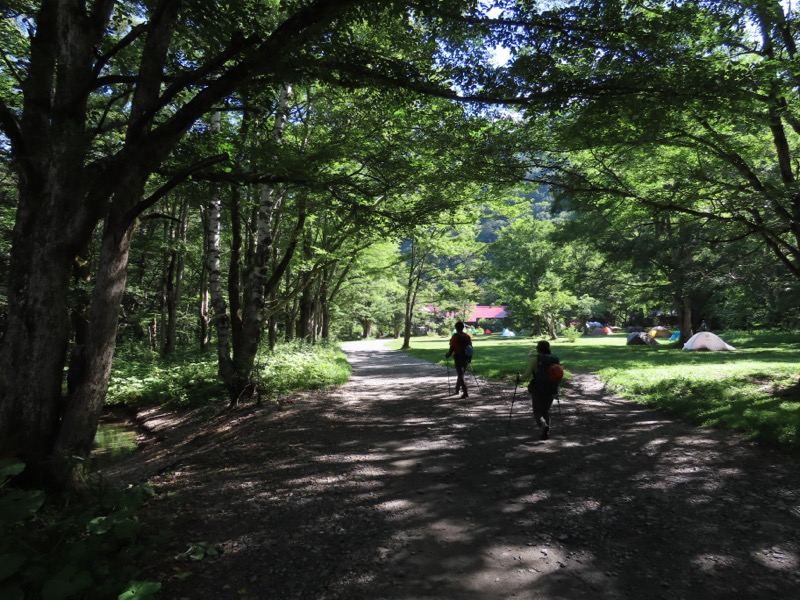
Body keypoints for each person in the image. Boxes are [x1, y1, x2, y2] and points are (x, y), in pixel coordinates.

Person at [517, 340, 561, 440]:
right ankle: (546, 432)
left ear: (538, 349)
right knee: (546, 410)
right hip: (552, 387)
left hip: (538, 388)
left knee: (537, 411)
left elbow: (527, 375)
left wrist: (519, 378)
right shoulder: (555, 359)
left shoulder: (535, 359)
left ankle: (543, 425)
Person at [445, 321, 472, 399]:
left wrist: (448, 355)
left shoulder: (455, 336)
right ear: (463, 327)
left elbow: (452, 348)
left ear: (456, 328)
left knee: (460, 374)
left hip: (458, 357)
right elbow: (470, 348)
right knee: (461, 374)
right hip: (466, 357)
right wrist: (470, 358)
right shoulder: (467, 336)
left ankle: (465, 392)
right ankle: (457, 390)